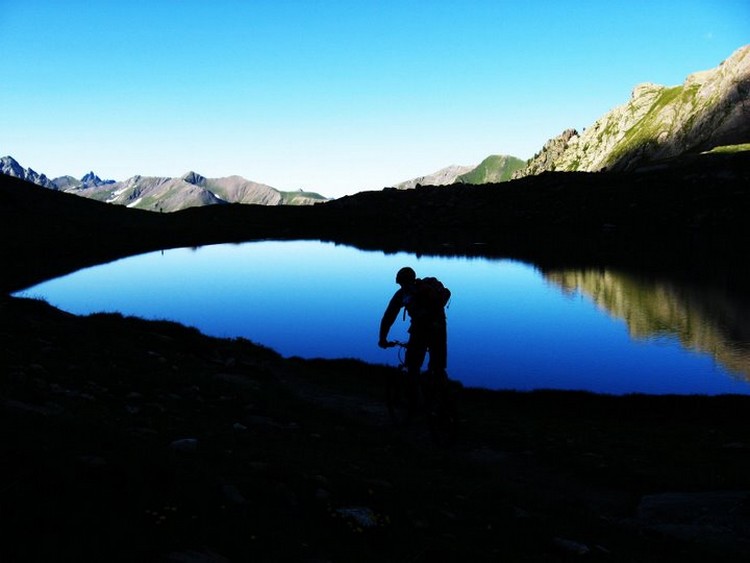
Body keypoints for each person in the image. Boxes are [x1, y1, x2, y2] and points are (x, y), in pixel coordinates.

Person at [378, 266, 450, 417]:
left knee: (412, 367)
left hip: (420, 329)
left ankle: (415, 407)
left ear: (401, 282)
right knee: (438, 368)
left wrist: (383, 339)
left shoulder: (403, 294)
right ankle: (444, 403)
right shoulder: (427, 289)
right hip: (439, 327)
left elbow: (389, 317)